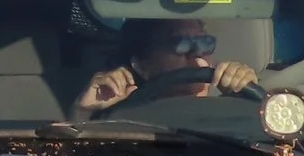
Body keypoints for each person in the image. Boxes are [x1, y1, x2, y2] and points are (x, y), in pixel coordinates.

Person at [75, 19, 258, 116]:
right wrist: (83, 111)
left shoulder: (231, 115)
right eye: (181, 44)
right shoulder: (124, 124)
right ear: (141, 65)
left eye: (204, 42)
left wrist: (248, 103)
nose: (197, 53)